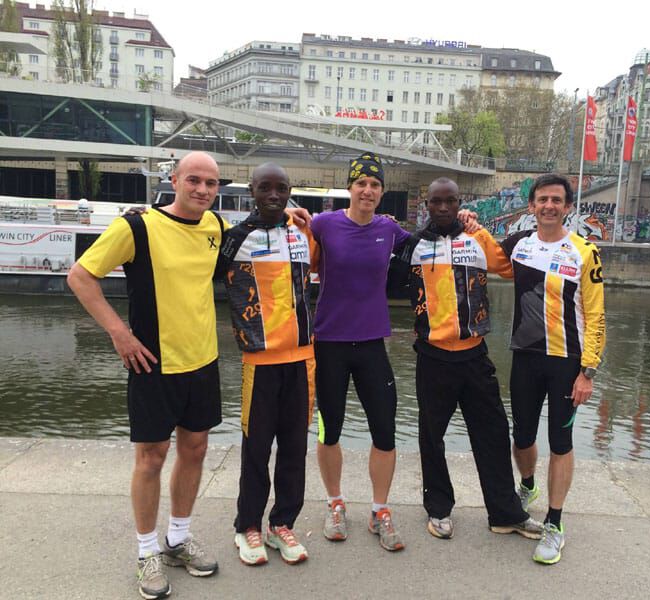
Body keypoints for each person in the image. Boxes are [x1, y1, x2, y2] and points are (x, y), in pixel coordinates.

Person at [67, 151, 224, 599]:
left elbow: (258, 232)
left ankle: (178, 538)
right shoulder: (136, 227)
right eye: (194, 180)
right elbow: (80, 277)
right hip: (152, 362)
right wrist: (119, 334)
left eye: (211, 183)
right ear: (175, 180)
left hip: (203, 360)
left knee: (195, 450)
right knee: (151, 458)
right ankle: (146, 551)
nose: (202, 190)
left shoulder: (216, 227)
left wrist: (292, 216)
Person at [397, 177, 545, 542]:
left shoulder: (475, 239)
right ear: (427, 205)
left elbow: (507, 268)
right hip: (432, 357)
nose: (443, 207)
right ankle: (438, 508)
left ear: (459, 203)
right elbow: (385, 280)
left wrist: (480, 231)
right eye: (436, 201)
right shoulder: (414, 245)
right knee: (432, 437)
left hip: (474, 355)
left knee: (493, 433)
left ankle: (505, 513)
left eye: (450, 201)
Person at [500, 173, 606, 565]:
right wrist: (469, 224)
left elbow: (596, 316)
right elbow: (484, 256)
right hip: (525, 357)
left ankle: (554, 523)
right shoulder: (519, 245)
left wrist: (588, 372)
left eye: (556, 200)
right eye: (542, 199)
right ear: (531, 206)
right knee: (522, 436)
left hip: (566, 363)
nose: (549, 206)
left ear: (568, 207)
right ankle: (527, 485)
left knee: (561, 443)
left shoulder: (585, 252)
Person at [216, 163, 315, 566]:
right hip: (259, 361)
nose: (274, 195)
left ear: (290, 191)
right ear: (252, 191)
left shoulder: (301, 233)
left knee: (294, 449)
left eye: (281, 189)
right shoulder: (234, 238)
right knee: (255, 449)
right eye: (265, 188)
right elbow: (201, 271)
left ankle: (282, 523)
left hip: (303, 359)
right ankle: (247, 526)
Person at [311, 152, 409, 552]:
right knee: (329, 428)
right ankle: (335, 503)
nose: (367, 190)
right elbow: (289, 238)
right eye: (361, 184)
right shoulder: (323, 224)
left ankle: (379, 510)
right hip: (329, 343)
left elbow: (434, 240)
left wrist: (467, 222)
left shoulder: (390, 230)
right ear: (349, 188)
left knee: (384, 430)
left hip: (372, 343)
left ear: (382, 191)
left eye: (375, 185)